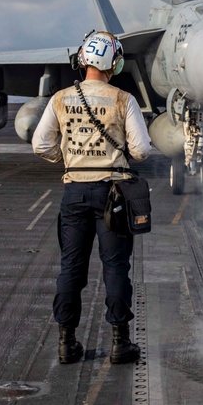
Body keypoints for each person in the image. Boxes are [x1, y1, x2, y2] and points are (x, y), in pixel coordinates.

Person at [32, 31, 152, 365]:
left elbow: (40, 144)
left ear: (83, 60)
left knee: (71, 267)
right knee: (115, 266)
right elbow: (141, 150)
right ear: (115, 63)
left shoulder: (60, 98)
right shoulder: (122, 99)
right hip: (113, 193)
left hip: (74, 192)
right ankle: (120, 343)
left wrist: (69, 160)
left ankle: (66, 343)